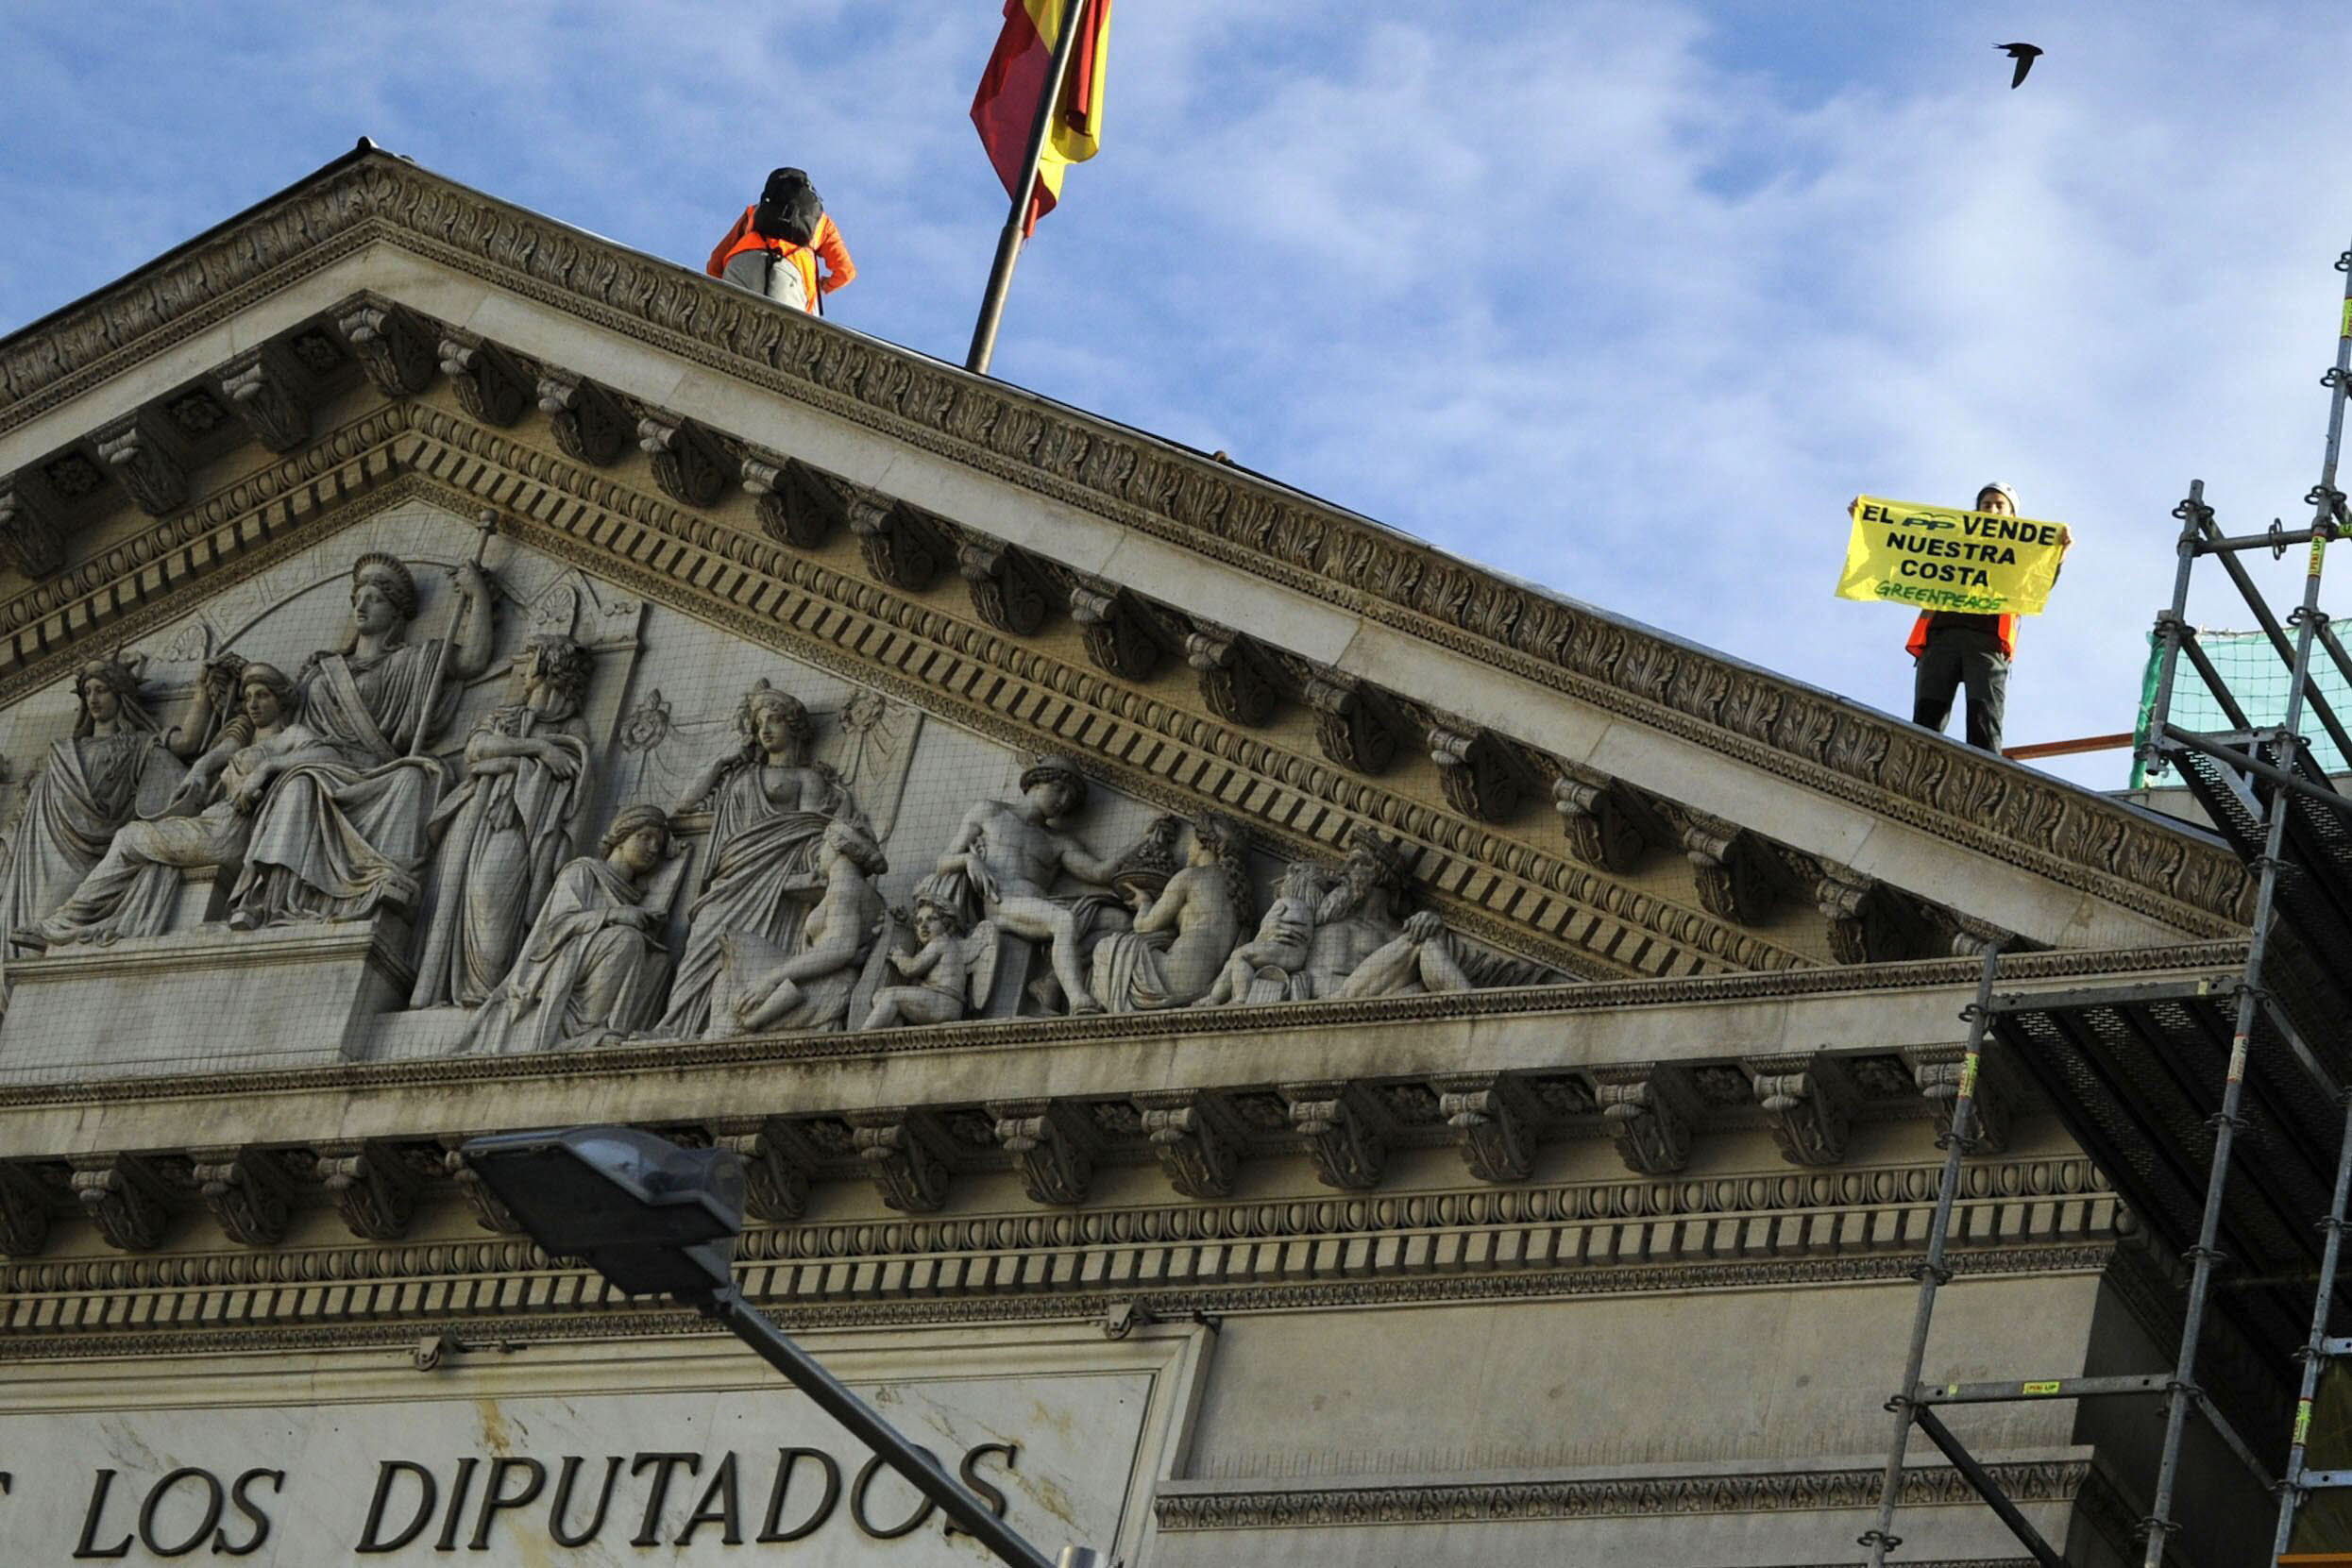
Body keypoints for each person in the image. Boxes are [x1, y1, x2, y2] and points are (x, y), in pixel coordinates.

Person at [15, 664, 315, 949]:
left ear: (281, 699)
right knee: (134, 839)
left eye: (262, 695)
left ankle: (62, 924)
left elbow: (324, 754)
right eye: (248, 696)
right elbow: (215, 755)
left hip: (231, 833)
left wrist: (267, 769)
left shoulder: (291, 736)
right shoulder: (245, 741)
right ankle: (78, 920)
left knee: (128, 837)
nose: (253, 704)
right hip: (213, 822)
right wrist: (199, 770)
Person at [456, 806, 677, 1056]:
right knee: (626, 939)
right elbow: (556, 926)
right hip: (559, 960)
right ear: (620, 838)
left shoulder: (632, 892)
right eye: (644, 837)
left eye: (658, 844)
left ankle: (621, 1031)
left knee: (660, 961)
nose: (652, 848)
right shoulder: (582, 871)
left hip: (592, 959)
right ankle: (588, 1033)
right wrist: (614, 915)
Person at [1907, 482, 2065, 754]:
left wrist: (2058, 555)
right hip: (1942, 636)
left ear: (2012, 516)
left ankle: (1984, 774)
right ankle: (1917, 765)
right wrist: (1868, 524)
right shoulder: (1953, 542)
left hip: (1988, 643)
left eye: (1999, 505)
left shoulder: (2022, 553)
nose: (1991, 509)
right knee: (1927, 717)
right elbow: (1906, 554)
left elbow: (2035, 586)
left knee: (1984, 719)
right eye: (1986, 504)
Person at [704, 169, 855, 314]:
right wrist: (823, 285)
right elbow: (845, 272)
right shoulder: (822, 222)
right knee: (781, 334)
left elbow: (715, 262)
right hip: (790, 272)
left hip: (743, 262)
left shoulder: (755, 211)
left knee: (729, 329)